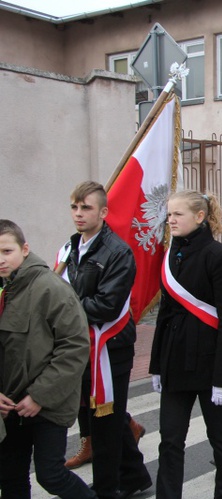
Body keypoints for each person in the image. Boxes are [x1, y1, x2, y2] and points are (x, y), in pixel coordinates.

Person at [60, 181, 151, 499]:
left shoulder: (117, 252)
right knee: (96, 414)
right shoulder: (72, 247)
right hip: (81, 342)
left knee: (106, 418)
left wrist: (62, 307)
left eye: (86, 207)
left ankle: (107, 488)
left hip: (110, 346)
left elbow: (106, 305)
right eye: (74, 207)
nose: (78, 213)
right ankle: (133, 474)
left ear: (103, 211)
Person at [150, 191, 222, 498]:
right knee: (170, 440)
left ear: (199, 217)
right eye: (170, 214)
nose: (171, 220)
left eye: (178, 214)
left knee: (221, 439)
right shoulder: (171, 253)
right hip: (175, 361)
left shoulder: (219, 256)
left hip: (209, 362)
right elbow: (164, 313)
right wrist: (156, 366)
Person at [0, 220, 96, 499]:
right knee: (10, 474)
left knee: (51, 474)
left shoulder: (50, 288)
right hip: (10, 402)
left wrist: (40, 395)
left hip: (48, 401)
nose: (1, 259)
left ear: (25, 249)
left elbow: (75, 347)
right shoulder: (5, 287)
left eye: (7, 251)